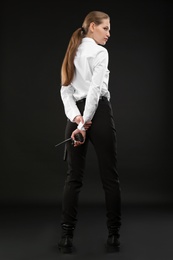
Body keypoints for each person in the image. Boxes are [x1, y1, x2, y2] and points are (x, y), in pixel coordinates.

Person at [58, 10, 121, 254]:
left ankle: (65, 238)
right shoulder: (100, 52)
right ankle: (114, 236)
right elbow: (95, 92)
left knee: (73, 178)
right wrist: (83, 124)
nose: (109, 33)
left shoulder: (72, 50)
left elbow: (66, 92)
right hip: (98, 114)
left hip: (77, 116)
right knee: (110, 177)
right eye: (105, 28)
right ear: (92, 26)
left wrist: (77, 120)